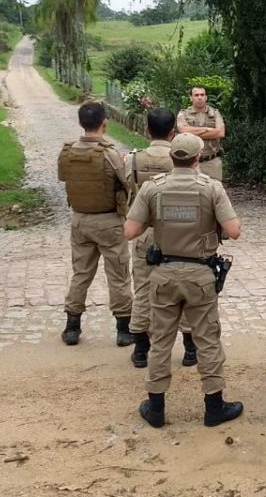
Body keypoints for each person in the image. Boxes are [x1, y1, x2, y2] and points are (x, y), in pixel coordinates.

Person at [124, 133, 244, 428]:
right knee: (207, 339)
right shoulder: (211, 188)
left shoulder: (153, 189)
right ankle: (214, 406)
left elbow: (130, 230)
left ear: (172, 157)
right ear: (198, 157)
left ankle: (156, 407)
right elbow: (234, 230)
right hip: (199, 275)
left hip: (163, 274)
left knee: (161, 340)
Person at [57, 102, 135, 347]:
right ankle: (123, 329)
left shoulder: (67, 152)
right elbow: (128, 184)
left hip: (80, 218)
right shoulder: (109, 154)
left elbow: (63, 177)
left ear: (81, 123)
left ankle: (72, 326)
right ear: (105, 123)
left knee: (81, 274)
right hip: (109, 220)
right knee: (119, 275)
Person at [124, 108, 176, 369]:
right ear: (173, 132)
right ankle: (189, 349)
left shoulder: (132, 160)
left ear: (147, 130)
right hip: (175, 232)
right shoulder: (179, 159)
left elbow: (125, 192)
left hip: (143, 231)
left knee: (143, 289)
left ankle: (141, 349)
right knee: (182, 288)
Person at [176, 86, 226, 181]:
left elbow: (220, 133)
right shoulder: (184, 114)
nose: (200, 97)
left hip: (211, 161)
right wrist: (208, 129)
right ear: (191, 98)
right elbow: (182, 130)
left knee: (214, 192)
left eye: (202, 95)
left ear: (206, 97)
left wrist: (192, 132)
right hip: (190, 163)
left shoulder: (215, 113)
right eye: (196, 95)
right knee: (192, 192)